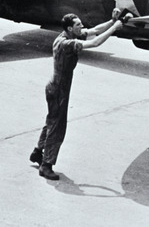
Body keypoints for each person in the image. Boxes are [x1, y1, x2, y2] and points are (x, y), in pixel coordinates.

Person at [29, 9, 129, 180]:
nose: (82, 27)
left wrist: (113, 21)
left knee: (52, 121)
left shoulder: (67, 36)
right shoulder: (66, 44)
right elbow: (96, 42)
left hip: (56, 87)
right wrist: (116, 28)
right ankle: (46, 165)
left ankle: (38, 152)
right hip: (59, 89)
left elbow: (95, 31)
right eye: (78, 25)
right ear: (69, 29)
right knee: (58, 127)